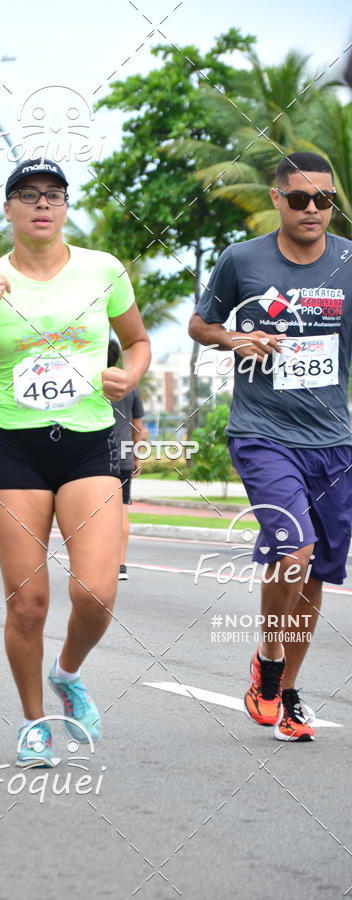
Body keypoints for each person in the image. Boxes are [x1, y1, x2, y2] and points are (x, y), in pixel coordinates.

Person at [0, 158, 150, 767]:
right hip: (18, 448)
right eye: (28, 195)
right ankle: (34, 722)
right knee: (27, 603)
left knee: (95, 590)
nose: (42, 205)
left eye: (54, 195)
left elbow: (138, 341)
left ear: (65, 207)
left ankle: (67, 673)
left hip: (89, 443)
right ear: (8, 209)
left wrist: (130, 375)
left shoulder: (103, 270)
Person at [189, 151, 352, 743]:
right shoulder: (242, 260)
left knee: (316, 577)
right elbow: (199, 325)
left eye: (325, 200)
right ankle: (268, 658)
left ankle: (285, 695)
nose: (314, 210)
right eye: (302, 199)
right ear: (278, 199)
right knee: (295, 550)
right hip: (263, 433)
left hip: (334, 441)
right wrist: (235, 337)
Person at [107, 340, 148, 581]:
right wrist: (137, 456)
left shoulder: (88, 379)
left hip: (92, 452)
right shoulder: (129, 383)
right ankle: (120, 565)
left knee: (90, 512)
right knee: (121, 509)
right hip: (122, 453)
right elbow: (138, 426)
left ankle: (94, 565)